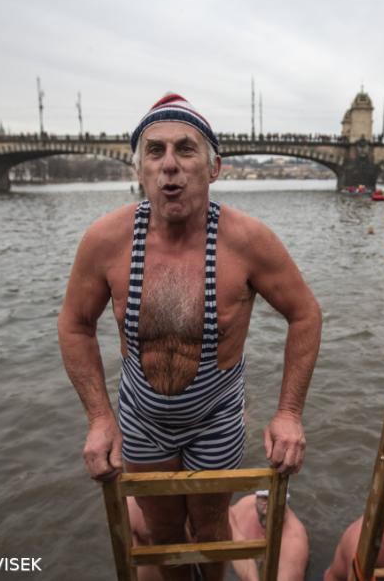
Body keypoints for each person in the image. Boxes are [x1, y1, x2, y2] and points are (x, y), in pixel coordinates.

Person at [58, 93, 323, 581]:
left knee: (210, 528)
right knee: (163, 532)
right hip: (142, 415)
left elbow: (305, 314)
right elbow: (75, 325)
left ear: (214, 166)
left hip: (215, 416)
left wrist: (288, 414)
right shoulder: (106, 240)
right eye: (155, 152)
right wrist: (99, 417)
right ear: (139, 169)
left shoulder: (247, 241)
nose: (170, 166)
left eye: (186, 150)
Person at [228, 490, 310, 581]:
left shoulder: (294, 542)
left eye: (275, 500)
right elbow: (225, 516)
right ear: (257, 498)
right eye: (265, 499)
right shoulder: (247, 504)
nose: (268, 508)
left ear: (285, 502)